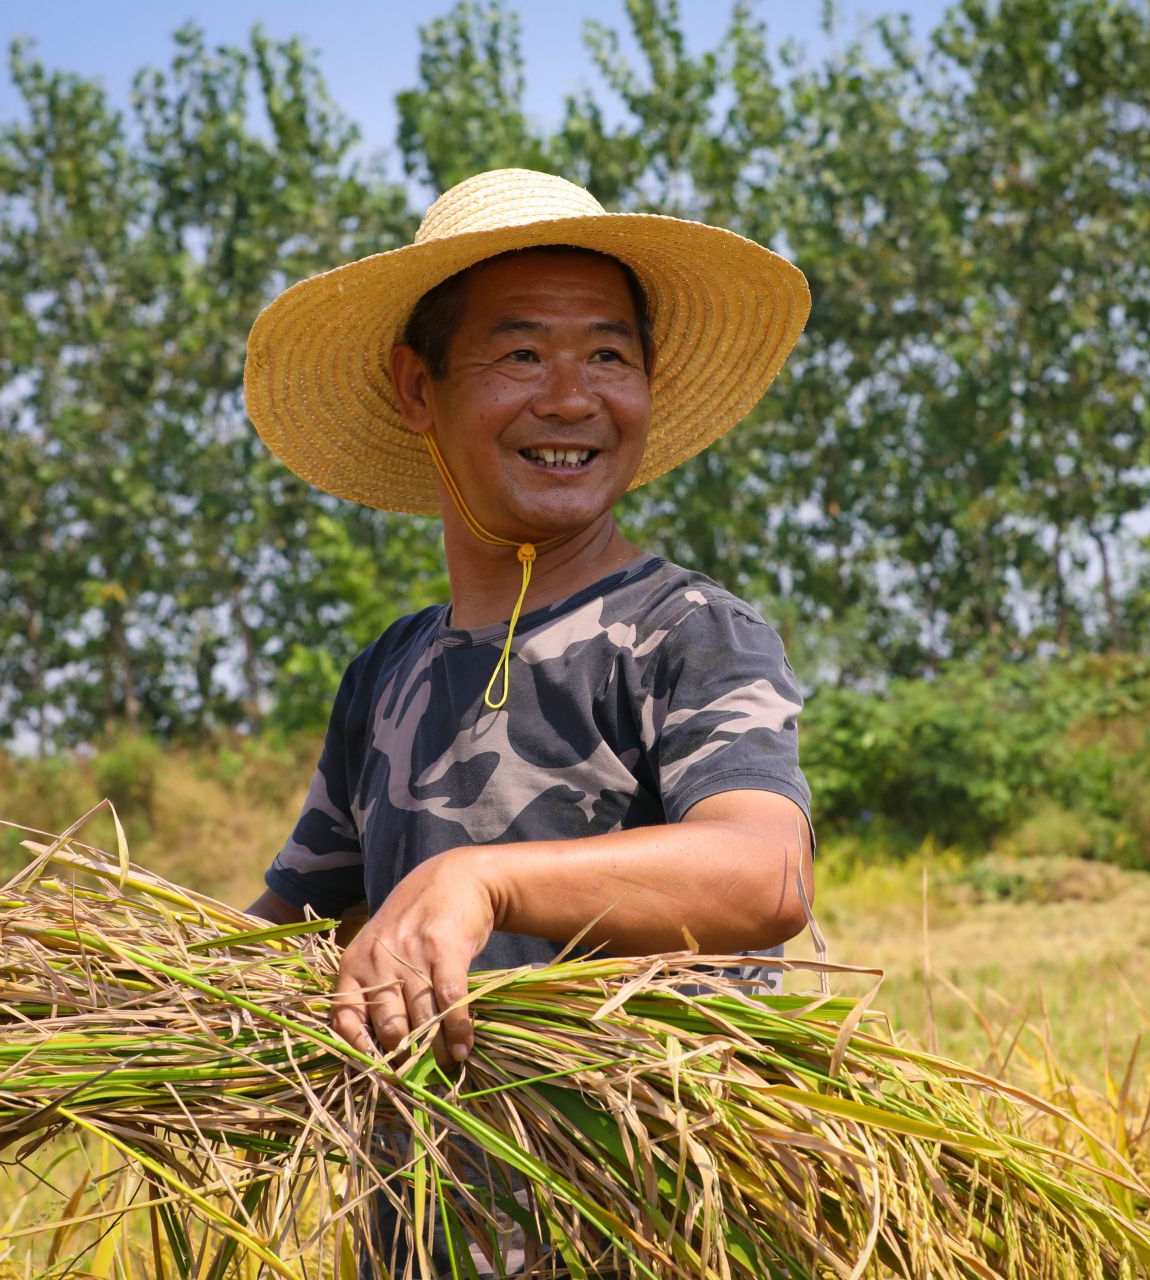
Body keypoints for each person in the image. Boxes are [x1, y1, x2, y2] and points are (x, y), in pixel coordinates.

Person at [239, 167, 815, 1276]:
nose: (571, 396)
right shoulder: (388, 676)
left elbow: (764, 874)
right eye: (520, 354)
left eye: (608, 354)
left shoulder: (684, 633)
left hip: (651, 1237)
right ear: (420, 387)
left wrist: (483, 879)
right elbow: (276, 940)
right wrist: (87, 999)